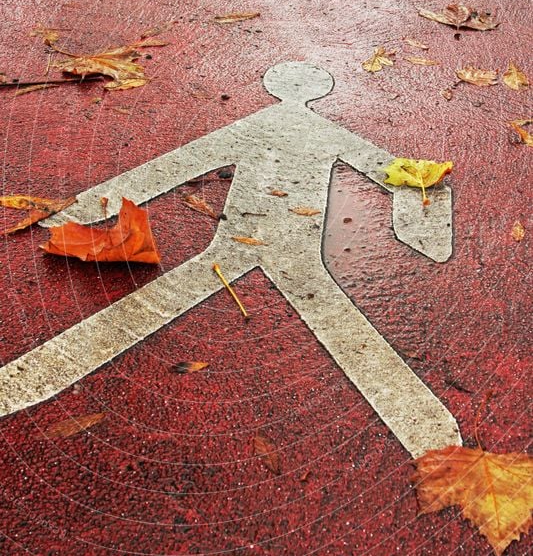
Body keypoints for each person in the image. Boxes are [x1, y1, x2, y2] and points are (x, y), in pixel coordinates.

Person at [0, 62, 460, 457]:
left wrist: (89, 208)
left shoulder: (269, 127)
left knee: (161, 303)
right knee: (334, 319)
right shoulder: (325, 133)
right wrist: (423, 235)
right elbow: (401, 179)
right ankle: (425, 429)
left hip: (253, 243)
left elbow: (177, 165)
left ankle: (40, 374)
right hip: (250, 244)